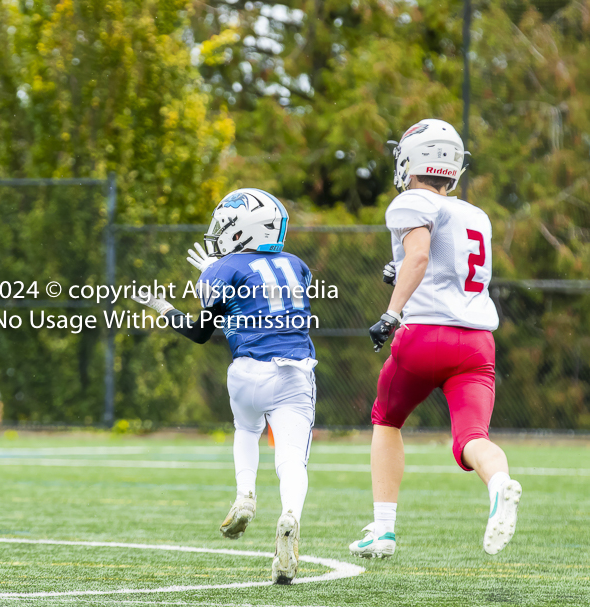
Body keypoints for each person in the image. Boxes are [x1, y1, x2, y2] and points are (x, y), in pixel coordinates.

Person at [348, 119, 522, 560]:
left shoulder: (410, 201)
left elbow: (421, 254)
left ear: (410, 161)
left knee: (386, 418)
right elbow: (446, 267)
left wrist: (390, 314)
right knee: (471, 438)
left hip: (426, 335)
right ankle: (499, 484)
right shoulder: (475, 214)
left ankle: (383, 530)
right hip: (478, 343)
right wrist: (401, 270)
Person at [132, 188, 317, 584]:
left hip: (246, 373)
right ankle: (290, 516)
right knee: (290, 459)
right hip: (294, 373)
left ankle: (245, 495)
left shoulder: (220, 271)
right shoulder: (298, 266)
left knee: (246, 430)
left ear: (240, 229)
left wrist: (164, 306)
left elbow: (200, 333)